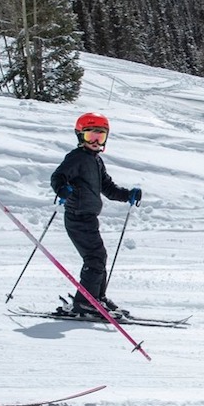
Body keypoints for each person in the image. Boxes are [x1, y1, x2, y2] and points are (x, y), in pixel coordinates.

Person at [49, 112, 141, 317]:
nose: (96, 141)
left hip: (88, 216)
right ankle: (86, 302)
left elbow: (108, 187)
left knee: (98, 257)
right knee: (95, 258)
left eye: (101, 136)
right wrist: (62, 189)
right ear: (80, 136)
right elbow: (58, 177)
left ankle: (96, 297)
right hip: (77, 216)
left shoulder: (96, 160)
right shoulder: (77, 158)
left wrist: (128, 195)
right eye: (91, 136)